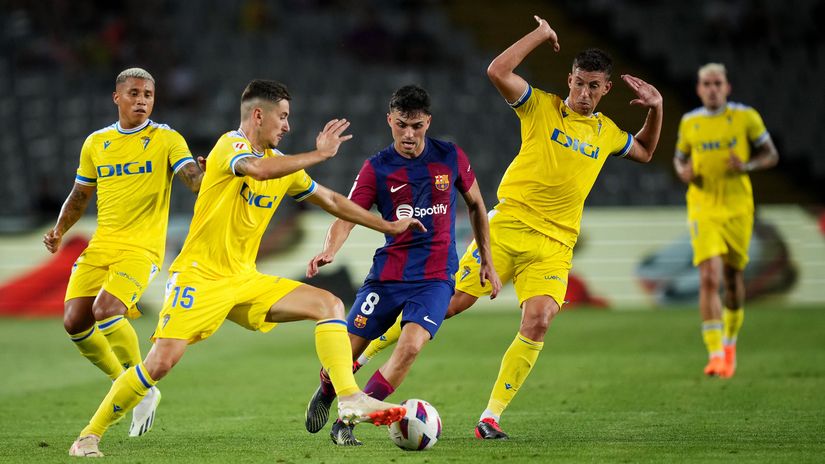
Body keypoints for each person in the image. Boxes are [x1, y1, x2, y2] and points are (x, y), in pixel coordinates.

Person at [67, 79, 424, 457]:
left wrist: (386, 226)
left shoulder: (281, 164)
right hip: (199, 277)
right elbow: (256, 170)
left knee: (330, 305)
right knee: (159, 363)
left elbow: (332, 200)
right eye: (282, 117)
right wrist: (318, 154)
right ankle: (88, 435)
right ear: (258, 115)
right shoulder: (230, 146)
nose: (287, 126)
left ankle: (350, 397)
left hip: (243, 278)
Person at [354, 15, 664, 439]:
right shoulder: (541, 106)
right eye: (578, 82)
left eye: (593, 86)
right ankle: (365, 352)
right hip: (508, 226)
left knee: (538, 320)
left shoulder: (606, 132)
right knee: (448, 304)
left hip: (556, 244)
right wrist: (540, 35)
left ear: (606, 89)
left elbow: (646, 150)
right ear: (569, 78)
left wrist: (658, 109)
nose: (583, 92)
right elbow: (497, 71)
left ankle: (491, 416)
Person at [302, 85, 502, 445]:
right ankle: (328, 391)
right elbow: (347, 215)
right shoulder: (377, 168)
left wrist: (487, 259)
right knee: (344, 354)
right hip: (388, 277)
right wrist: (329, 249)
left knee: (410, 346)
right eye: (401, 125)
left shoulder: (450, 157)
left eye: (417, 126)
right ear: (389, 121)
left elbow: (476, 205)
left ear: (428, 122)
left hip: (436, 278)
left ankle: (346, 422)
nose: (409, 135)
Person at [43, 68, 203, 439]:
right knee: (74, 322)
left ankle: (141, 385)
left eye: (148, 94)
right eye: (133, 93)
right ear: (117, 97)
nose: (142, 100)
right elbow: (80, 194)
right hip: (102, 245)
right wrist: (59, 230)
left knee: (107, 310)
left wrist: (204, 176)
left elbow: (191, 179)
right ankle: (129, 385)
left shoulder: (165, 138)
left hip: (141, 248)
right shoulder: (97, 142)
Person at [673, 63, 778, 378]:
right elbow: (680, 159)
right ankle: (715, 353)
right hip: (703, 207)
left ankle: (729, 345)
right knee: (708, 277)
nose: (712, 88)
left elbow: (771, 155)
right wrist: (683, 172)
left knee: (733, 281)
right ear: (699, 89)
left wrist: (746, 165)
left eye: (718, 83)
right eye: (707, 83)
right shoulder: (689, 123)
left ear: (727, 87)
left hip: (737, 208)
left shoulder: (746, 117)